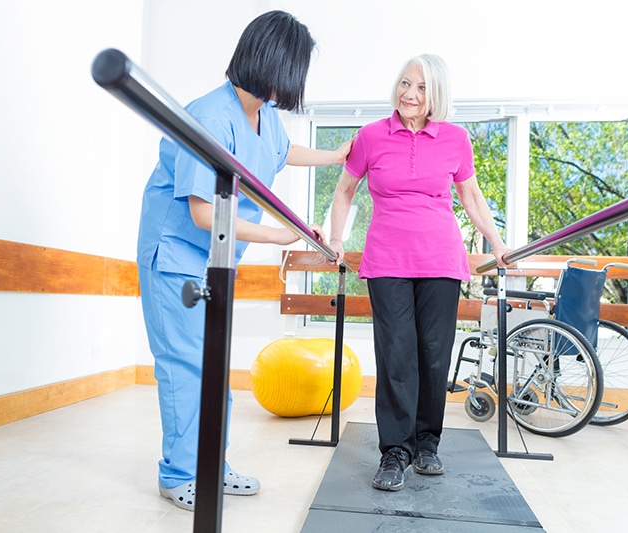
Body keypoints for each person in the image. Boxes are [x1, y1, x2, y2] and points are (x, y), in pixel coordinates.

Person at [137, 11, 352, 511]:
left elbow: (281, 152)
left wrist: (335, 156)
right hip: (175, 256)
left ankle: (212, 464)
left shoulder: (262, 113)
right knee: (186, 366)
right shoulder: (211, 116)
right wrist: (282, 234)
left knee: (215, 365)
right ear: (273, 63)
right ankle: (177, 474)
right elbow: (200, 211)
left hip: (215, 260)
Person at [326, 54, 512, 491]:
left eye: (422, 87)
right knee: (396, 355)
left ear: (436, 95)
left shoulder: (455, 139)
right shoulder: (371, 136)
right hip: (387, 260)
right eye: (405, 84)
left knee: (433, 354)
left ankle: (427, 444)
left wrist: (499, 244)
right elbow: (344, 192)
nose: (409, 94)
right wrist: (336, 240)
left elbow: (472, 198)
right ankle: (395, 451)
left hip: (441, 262)